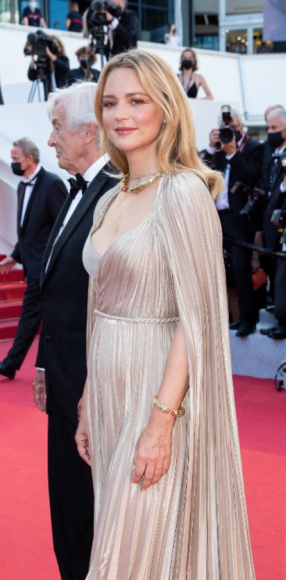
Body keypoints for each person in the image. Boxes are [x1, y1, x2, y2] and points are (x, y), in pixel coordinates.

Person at [74, 48, 255, 579]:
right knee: (126, 538)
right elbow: (97, 305)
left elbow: (196, 318)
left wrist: (160, 422)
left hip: (158, 387)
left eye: (137, 100)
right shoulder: (111, 198)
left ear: (168, 109)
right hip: (108, 386)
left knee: (130, 551)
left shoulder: (185, 194)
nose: (121, 114)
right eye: (110, 103)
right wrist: (87, 393)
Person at [32, 82, 120, 580]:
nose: (50, 141)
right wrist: (44, 363)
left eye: (57, 129)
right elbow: (58, 291)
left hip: (98, 386)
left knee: (92, 510)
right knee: (67, 505)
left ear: (91, 133)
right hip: (64, 379)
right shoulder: (73, 191)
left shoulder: (116, 193)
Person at [0, 139, 67, 380]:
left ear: (29, 159)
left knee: (31, 315)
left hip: (47, 268)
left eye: (16, 159)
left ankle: (11, 362)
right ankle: (24, 363)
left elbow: (63, 227)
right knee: (40, 317)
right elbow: (29, 230)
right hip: (32, 264)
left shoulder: (52, 184)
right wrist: (15, 256)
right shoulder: (21, 186)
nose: (13, 163)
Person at [200, 107, 264, 337]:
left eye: (234, 127)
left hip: (240, 219)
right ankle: (234, 317)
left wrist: (232, 153)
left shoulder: (255, 148)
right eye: (226, 129)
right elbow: (202, 172)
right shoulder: (216, 149)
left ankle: (249, 318)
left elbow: (251, 177)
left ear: (242, 126)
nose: (230, 132)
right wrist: (211, 146)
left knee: (241, 268)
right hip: (218, 216)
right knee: (221, 271)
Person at [259, 107, 286, 339]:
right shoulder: (270, 152)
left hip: (285, 225)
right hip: (268, 221)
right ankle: (277, 313)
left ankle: (285, 322)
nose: (270, 132)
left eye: (274, 128)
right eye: (268, 128)